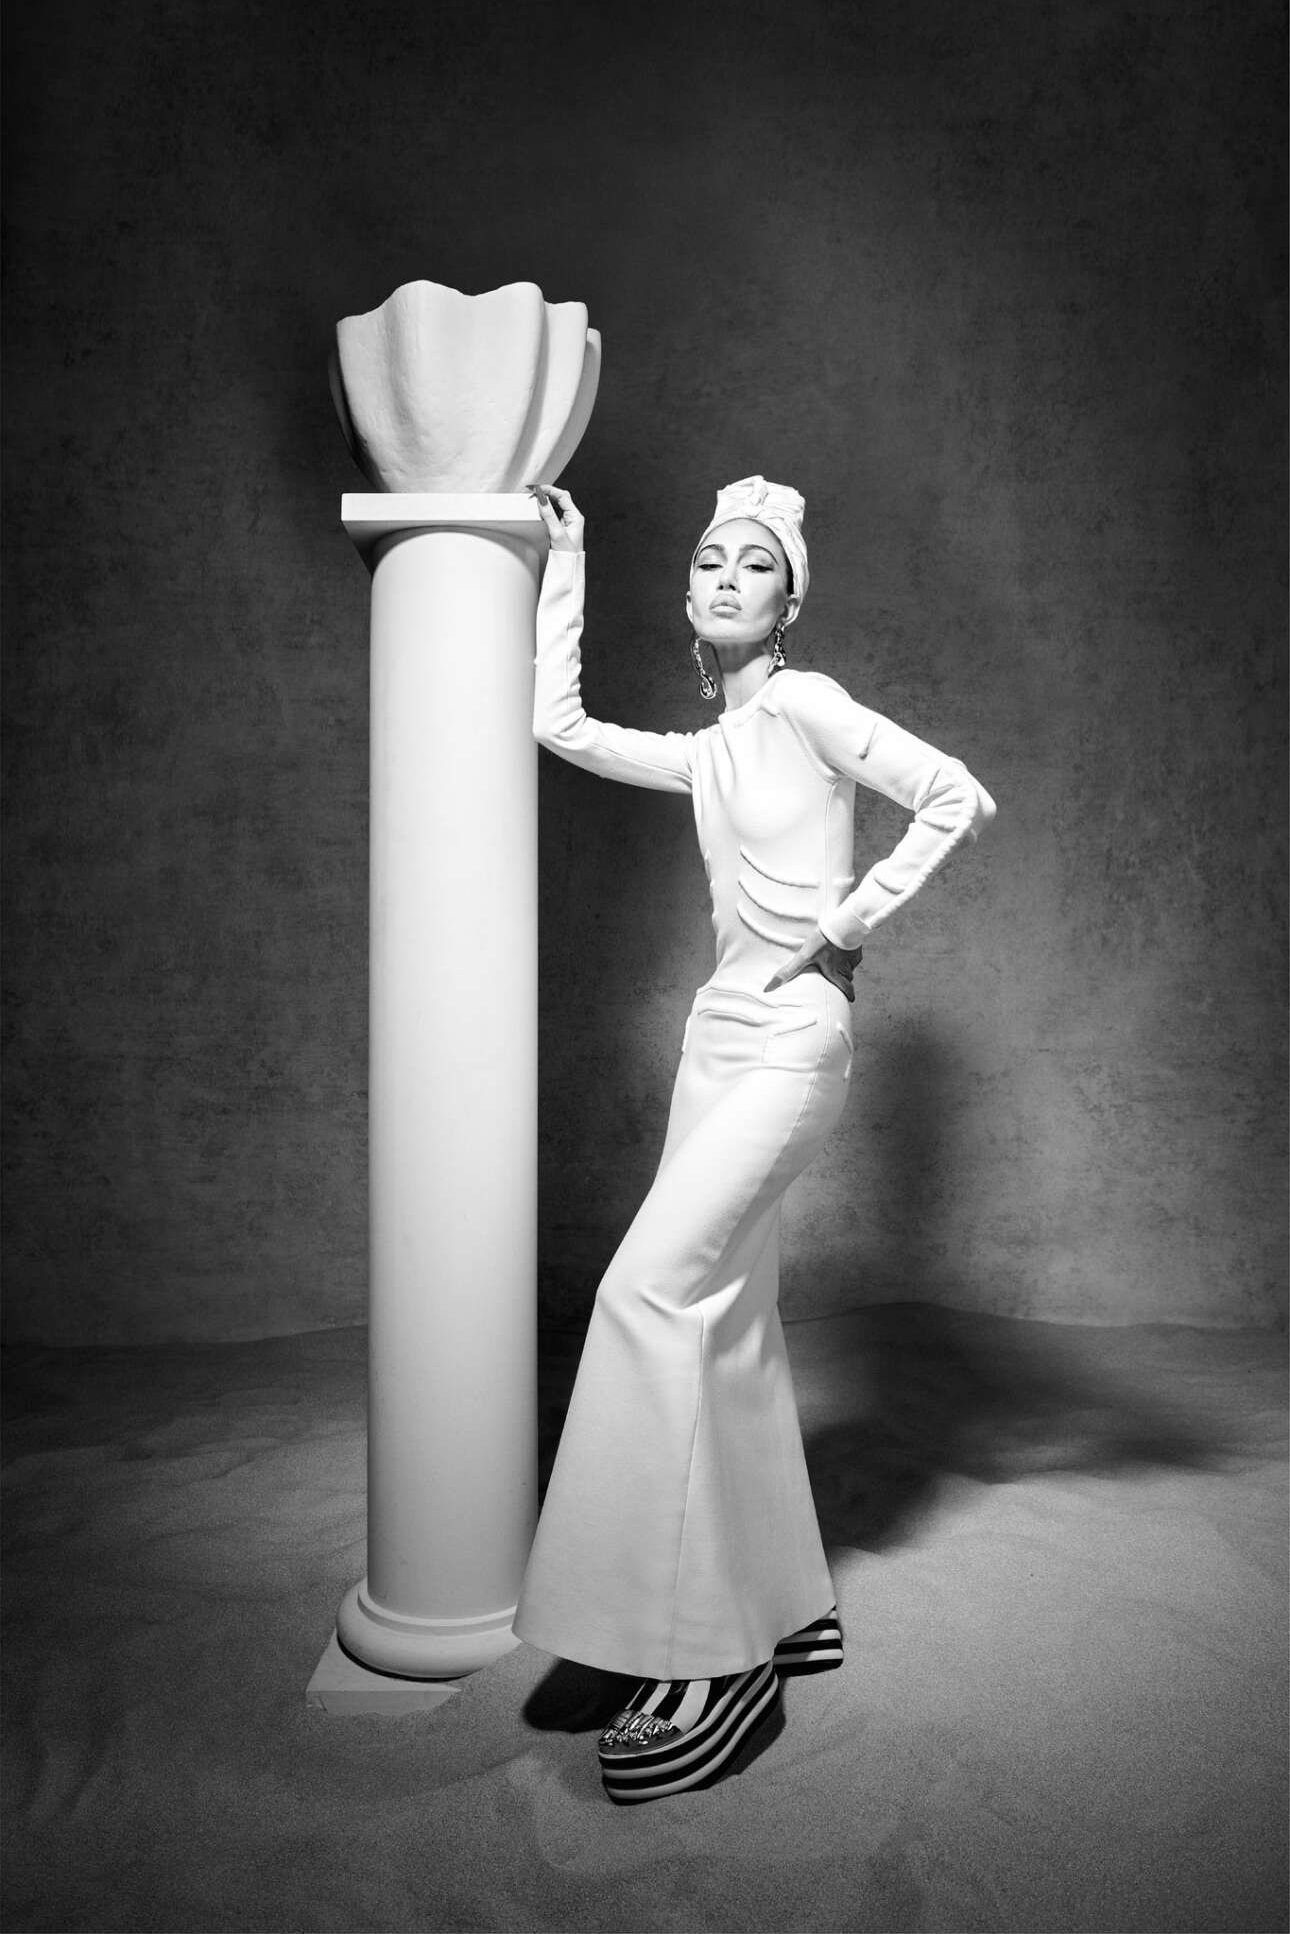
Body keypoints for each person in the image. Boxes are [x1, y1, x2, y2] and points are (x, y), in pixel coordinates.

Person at [513, 475, 996, 1805]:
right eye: (710, 561)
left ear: (790, 601)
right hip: (711, 1045)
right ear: (688, 595)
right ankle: (786, 1603)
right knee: (728, 1316)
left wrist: (842, 932)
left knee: (646, 1293)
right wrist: (568, 562)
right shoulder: (710, 747)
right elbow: (555, 725)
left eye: (756, 565)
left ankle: (709, 1659)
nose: (728, 577)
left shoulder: (805, 702)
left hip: (790, 1041)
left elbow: (952, 795)